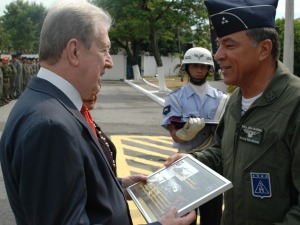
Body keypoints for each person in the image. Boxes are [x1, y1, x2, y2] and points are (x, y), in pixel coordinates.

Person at [0, 1, 196, 225]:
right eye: (104, 50)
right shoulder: (50, 126)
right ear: (74, 51)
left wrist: (115, 186)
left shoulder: (48, 103)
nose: (109, 62)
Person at [165, 0, 300, 224]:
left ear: (263, 49)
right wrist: (191, 161)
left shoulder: (295, 104)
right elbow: (223, 153)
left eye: (229, 45)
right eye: (218, 45)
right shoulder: (236, 99)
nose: (217, 56)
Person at [162, 47, 228, 225]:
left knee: (212, 216)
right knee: (184, 217)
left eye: (203, 66)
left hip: (211, 165)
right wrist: (186, 133)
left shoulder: (222, 99)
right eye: (194, 66)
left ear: (209, 69)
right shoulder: (175, 98)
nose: (199, 70)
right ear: (187, 68)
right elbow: (174, 135)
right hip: (182, 164)